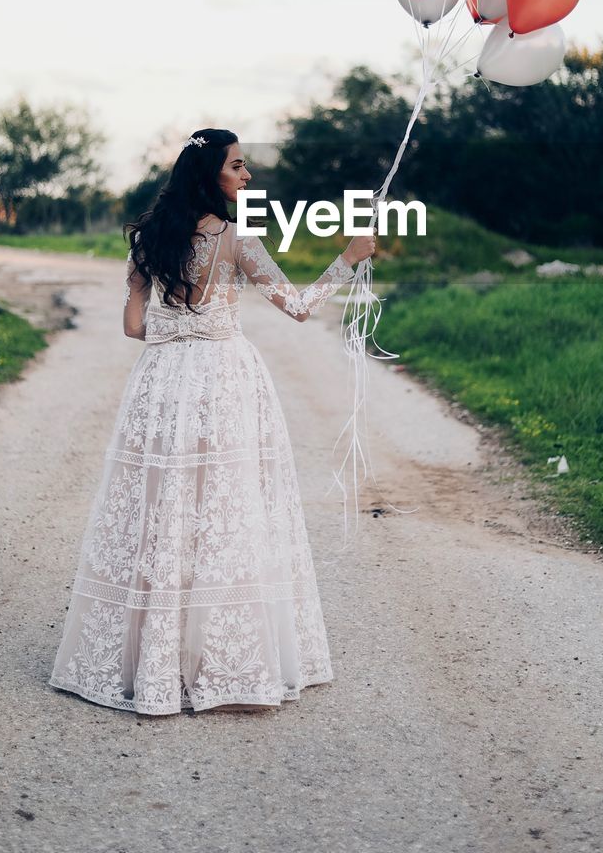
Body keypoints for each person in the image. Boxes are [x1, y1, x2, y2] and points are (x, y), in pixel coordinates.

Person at [48, 128, 375, 716]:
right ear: (212, 176)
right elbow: (299, 307)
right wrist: (347, 260)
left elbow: (132, 325)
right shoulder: (234, 240)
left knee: (163, 509)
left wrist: (177, 336)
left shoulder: (148, 238)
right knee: (221, 508)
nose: (246, 177)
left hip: (159, 382)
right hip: (223, 382)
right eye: (238, 167)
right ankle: (215, 660)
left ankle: (156, 659)